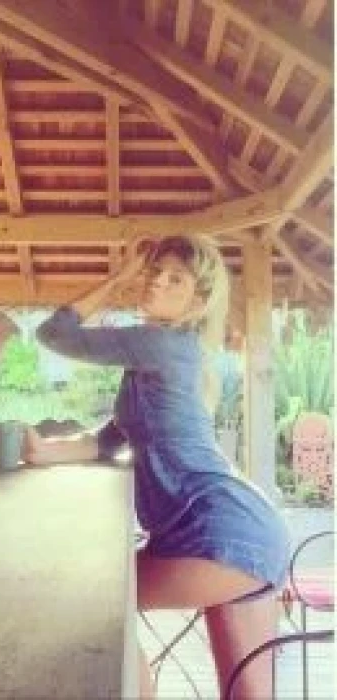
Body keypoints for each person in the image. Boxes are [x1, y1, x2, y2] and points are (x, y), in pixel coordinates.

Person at [23, 235, 291, 700]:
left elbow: (55, 333)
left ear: (198, 301)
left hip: (220, 531)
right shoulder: (163, 357)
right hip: (242, 530)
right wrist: (44, 451)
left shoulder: (160, 344)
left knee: (94, 604)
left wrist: (119, 278)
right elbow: (110, 440)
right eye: (154, 272)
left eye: (175, 280)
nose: (156, 283)